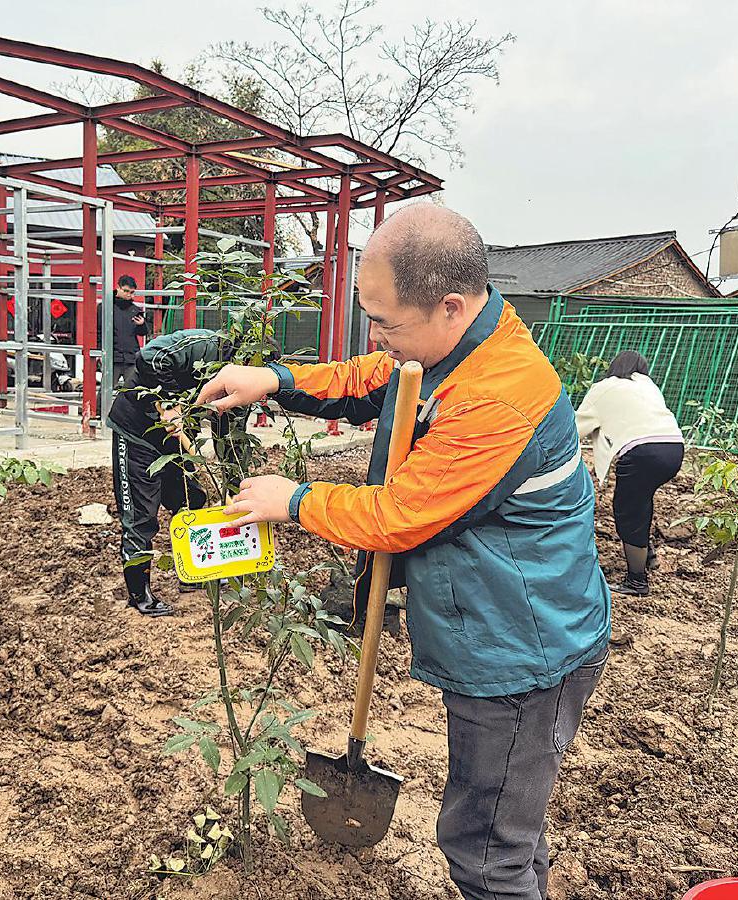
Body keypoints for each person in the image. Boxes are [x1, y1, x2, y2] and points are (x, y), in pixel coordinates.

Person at [197, 204, 610, 900]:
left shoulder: (498, 396)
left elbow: (401, 515)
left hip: (524, 653)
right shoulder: (450, 349)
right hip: (502, 628)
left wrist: (293, 500)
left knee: (486, 853)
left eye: (385, 322)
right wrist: (278, 381)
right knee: (509, 832)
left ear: (450, 306)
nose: (376, 337)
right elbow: (374, 376)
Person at [108, 328, 237, 617]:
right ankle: (139, 594)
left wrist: (230, 484)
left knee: (191, 499)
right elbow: (149, 357)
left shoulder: (240, 386)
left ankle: (192, 572)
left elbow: (226, 431)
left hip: (175, 438)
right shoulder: (205, 346)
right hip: (137, 431)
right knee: (141, 515)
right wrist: (168, 403)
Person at [575, 350, 684, 596]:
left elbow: (576, 428)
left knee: (628, 512)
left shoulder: (604, 388)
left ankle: (637, 581)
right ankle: (648, 555)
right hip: (674, 449)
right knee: (640, 499)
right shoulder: (648, 386)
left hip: (642, 452)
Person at [104, 274, 149, 388]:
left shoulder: (135, 310)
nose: (128, 294)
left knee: (133, 391)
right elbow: (98, 331)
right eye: (126, 291)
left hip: (131, 357)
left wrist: (142, 325)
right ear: (118, 288)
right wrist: (100, 352)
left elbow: (143, 332)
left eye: (132, 292)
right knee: (105, 390)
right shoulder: (106, 307)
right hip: (112, 357)